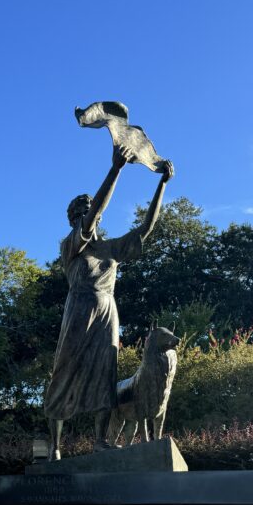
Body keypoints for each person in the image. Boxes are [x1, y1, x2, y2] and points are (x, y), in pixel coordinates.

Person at [44, 143, 174, 459]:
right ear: (75, 218)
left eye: (88, 212)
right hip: (80, 310)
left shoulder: (110, 249)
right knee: (65, 372)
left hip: (107, 310)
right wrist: (115, 168)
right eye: (82, 213)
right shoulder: (72, 246)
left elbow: (144, 230)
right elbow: (95, 212)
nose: (88, 216)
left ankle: (100, 439)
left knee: (106, 374)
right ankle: (55, 447)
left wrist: (162, 184)